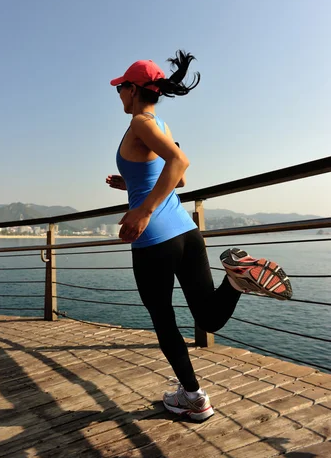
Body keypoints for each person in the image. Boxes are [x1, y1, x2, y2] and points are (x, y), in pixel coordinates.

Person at [106, 51, 292, 422]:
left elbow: (180, 165)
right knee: (208, 317)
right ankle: (235, 282)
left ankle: (193, 397)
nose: (119, 95)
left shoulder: (141, 123)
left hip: (155, 237)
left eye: (121, 88)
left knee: (163, 318)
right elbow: (181, 180)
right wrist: (131, 185)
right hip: (186, 233)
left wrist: (142, 210)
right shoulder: (160, 125)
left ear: (132, 89)